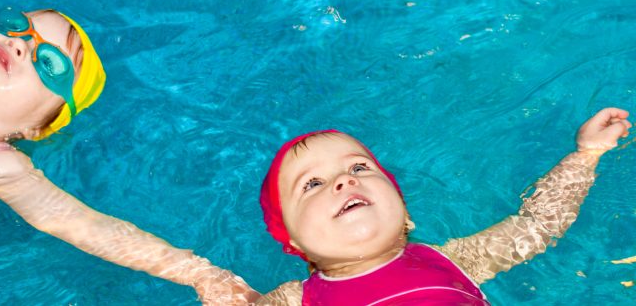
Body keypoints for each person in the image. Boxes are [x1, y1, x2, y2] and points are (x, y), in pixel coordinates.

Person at [0, 8, 257, 304]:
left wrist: (202, 274)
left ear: (37, 126)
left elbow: (87, 227)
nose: (19, 46)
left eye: (49, 63)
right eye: (18, 28)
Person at [256, 108, 631, 305]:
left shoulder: (457, 259)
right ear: (292, 240)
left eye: (359, 167)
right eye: (313, 184)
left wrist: (587, 154)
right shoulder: (296, 299)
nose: (345, 180)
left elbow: (538, 223)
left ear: (404, 212)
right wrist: (197, 270)